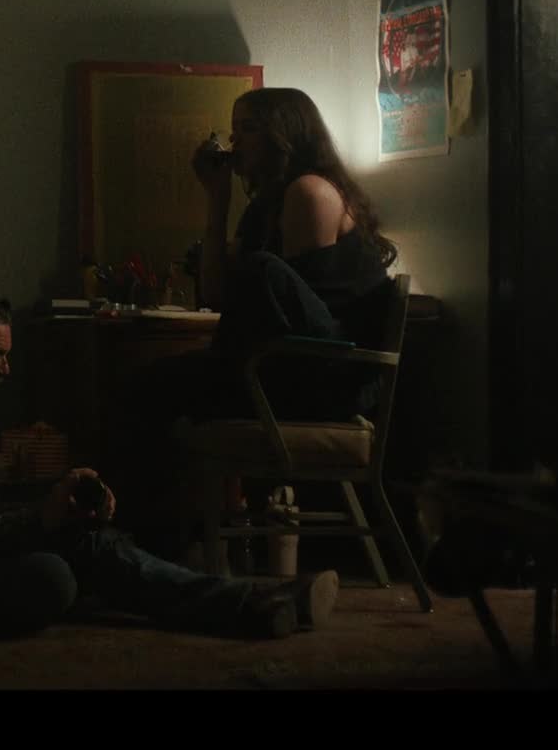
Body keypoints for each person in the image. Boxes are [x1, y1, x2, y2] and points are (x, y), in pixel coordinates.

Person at [0, 286, 338, 640]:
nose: (6, 369)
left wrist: (60, 504)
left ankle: (253, 604)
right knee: (51, 578)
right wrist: (40, 521)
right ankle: (249, 604)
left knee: (77, 545)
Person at [110, 86, 401, 558]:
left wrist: (223, 359)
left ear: (284, 135)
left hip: (326, 374)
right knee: (142, 386)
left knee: (259, 273)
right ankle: (148, 546)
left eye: (247, 129)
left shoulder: (310, 193)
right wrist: (217, 200)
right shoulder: (266, 205)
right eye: (234, 129)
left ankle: (152, 550)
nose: (234, 142)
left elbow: (288, 315)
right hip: (275, 364)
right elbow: (216, 295)